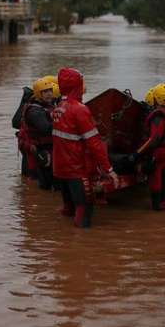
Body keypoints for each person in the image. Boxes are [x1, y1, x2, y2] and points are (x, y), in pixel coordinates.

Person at [52, 68, 119, 228]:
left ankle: (61, 243)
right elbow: (95, 144)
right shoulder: (80, 110)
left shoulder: (58, 108)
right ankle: (81, 247)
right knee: (84, 212)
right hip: (76, 170)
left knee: (68, 209)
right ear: (77, 85)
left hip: (60, 169)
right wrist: (109, 170)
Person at [133, 83, 165, 211]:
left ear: (157, 99)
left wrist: (137, 154)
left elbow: (154, 139)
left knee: (157, 182)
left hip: (160, 154)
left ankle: (159, 209)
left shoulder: (158, 117)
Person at [20, 77, 56, 190]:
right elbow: (45, 129)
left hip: (46, 148)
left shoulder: (48, 106)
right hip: (40, 150)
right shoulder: (35, 111)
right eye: (45, 92)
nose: (49, 94)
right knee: (44, 183)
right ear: (38, 93)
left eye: (50, 90)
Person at [12, 85, 35, 177]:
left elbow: (15, 123)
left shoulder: (27, 105)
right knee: (30, 175)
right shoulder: (34, 107)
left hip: (25, 144)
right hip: (30, 146)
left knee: (26, 177)